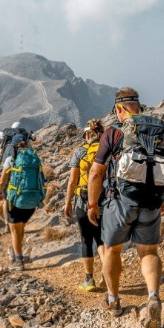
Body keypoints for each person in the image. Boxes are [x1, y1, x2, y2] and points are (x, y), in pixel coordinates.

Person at [87, 88, 164, 327]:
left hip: (120, 201)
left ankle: (114, 300)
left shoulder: (113, 133)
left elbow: (96, 172)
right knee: (149, 252)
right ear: (138, 105)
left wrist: (92, 203)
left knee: (112, 250)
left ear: (118, 109)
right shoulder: (159, 129)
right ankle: (153, 296)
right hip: (153, 200)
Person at [64, 119, 105, 292]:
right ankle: (107, 274)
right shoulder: (106, 151)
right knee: (102, 239)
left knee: (86, 240)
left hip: (83, 201)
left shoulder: (80, 151)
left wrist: (68, 202)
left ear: (87, 134)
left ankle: (89, 280)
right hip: (104, 201)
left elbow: (73, 180)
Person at [0, 134, 45, 271]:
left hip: (16, 200)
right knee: (21, 228)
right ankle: (18, 252)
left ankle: (18, 260)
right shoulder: (34, 159)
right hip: (32, 200)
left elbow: (1, 181)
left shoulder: (10, 160)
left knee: (14, 231)